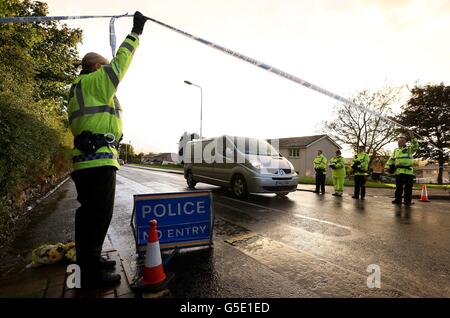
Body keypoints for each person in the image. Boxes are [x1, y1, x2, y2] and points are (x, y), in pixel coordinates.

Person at [67, 11, 148, 289]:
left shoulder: (78, 87)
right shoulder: (95, 81)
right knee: (98, 215)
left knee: (90, 214)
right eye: (103, 66)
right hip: (97, 162)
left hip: (86, 160)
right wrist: (135, 32)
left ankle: (89, 262)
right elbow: (121, 62)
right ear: (95, 67)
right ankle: (89, 276)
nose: (107, 70)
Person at [384, 130, 419, 206]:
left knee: (408, 188)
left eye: (401, 141)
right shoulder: (396, 150)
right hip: (399, 171)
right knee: (398, 187)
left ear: (404, 142)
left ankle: (407, 201)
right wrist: (386, 167)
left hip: (408, 171)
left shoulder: (409, 149)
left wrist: (412, 136)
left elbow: (416, 146)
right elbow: (391, 159)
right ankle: (398, 200)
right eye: (398, 141)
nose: (399, 142)